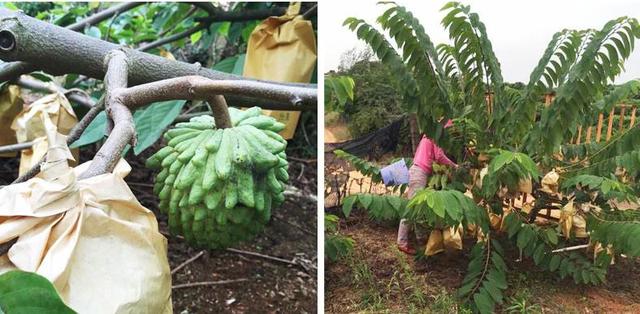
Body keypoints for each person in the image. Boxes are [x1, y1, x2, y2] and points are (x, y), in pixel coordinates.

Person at [397, 121, 458, 255]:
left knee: (419, 207)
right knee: (412, 207)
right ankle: (401, 242)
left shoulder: (427, 135)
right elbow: (439, 156)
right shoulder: (436, 136)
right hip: (419, 173)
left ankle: (420, 238)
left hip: (418, 171)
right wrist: (455, 166)